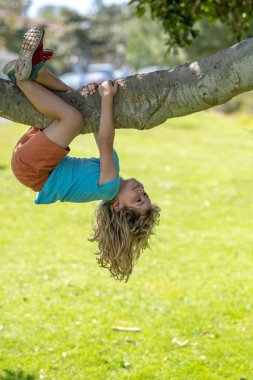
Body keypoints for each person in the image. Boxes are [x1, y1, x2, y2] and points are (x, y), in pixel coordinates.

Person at [3, 26, 160, 282]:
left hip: (33, 168)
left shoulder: (109, 187)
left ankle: (20, 79)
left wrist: (107, 98)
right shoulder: (109, 183)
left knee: (72, 119)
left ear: (118, 206)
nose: (142, 191)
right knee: (73, 100)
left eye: (139, 199)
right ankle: (35, 70)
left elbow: (105, 142)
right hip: (34, 164)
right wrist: (95, 102)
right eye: (146, 195)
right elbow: (101, 132)